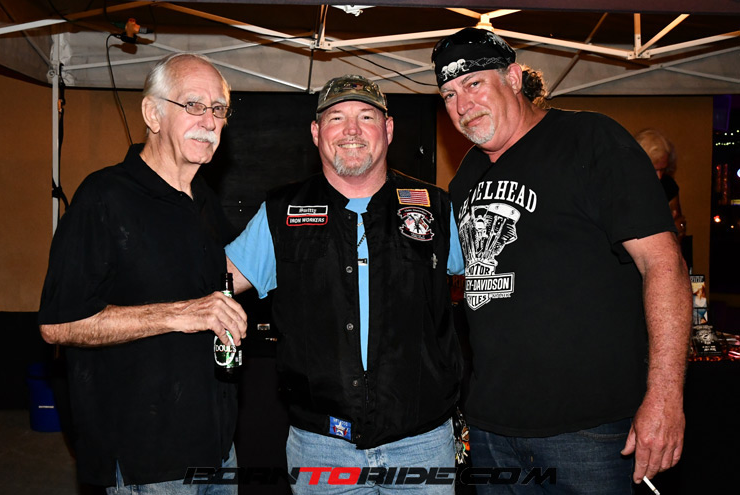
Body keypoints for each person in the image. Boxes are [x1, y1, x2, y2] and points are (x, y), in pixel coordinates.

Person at [432, 28, 692, 493]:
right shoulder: (466, 175)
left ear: (513, 78)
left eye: (474, 84)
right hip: (493, 428)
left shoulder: (590, 139)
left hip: (588, 431)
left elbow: (663, 264)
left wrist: (666, 396)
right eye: (449, 94)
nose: (462, 104)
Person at [225, 74, 464, 494]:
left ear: (388, 129)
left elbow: (482, 288)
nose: (351, 130)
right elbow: (213, 282)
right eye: (336, 118)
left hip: (422, 444)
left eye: (366, 117)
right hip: (321, 448)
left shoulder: (435, 207)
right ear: (316, 132)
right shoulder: (282, 212)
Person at [38, 52, 247, 494]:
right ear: (153, 114)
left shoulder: (204, 201)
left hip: (217, 446)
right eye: (193, 105)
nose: (209, 121)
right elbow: (59, 324)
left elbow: (221, 279)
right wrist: (181, 314)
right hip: (148, 462)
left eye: (218, 109)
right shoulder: (104, 196)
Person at [635, 128, 687, 240]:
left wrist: (679, 227)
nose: (659, 176)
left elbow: (678, 222)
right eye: (653, 170)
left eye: (662, 169)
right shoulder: (624, 189)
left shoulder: (667, 184)